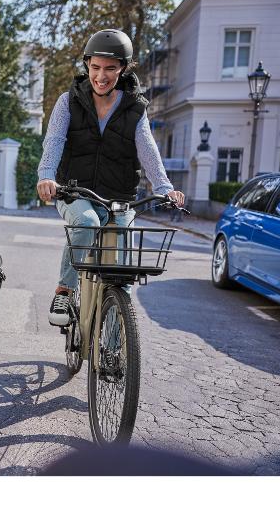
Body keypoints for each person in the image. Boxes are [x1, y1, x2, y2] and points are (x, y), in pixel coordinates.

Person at [36, 29, 185, 326]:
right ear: (87, 65)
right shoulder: (69, 101)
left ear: (123, 69)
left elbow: (148, 150)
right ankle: (65, 288)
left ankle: (115, 352)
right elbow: (53, 141)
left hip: (120, 198)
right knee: (88, 222)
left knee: (121, 273)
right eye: (95, 67)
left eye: (110, 69)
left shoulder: (135, 108)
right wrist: (46, 176)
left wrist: (165, 187)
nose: (101, 76)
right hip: (75, 192)